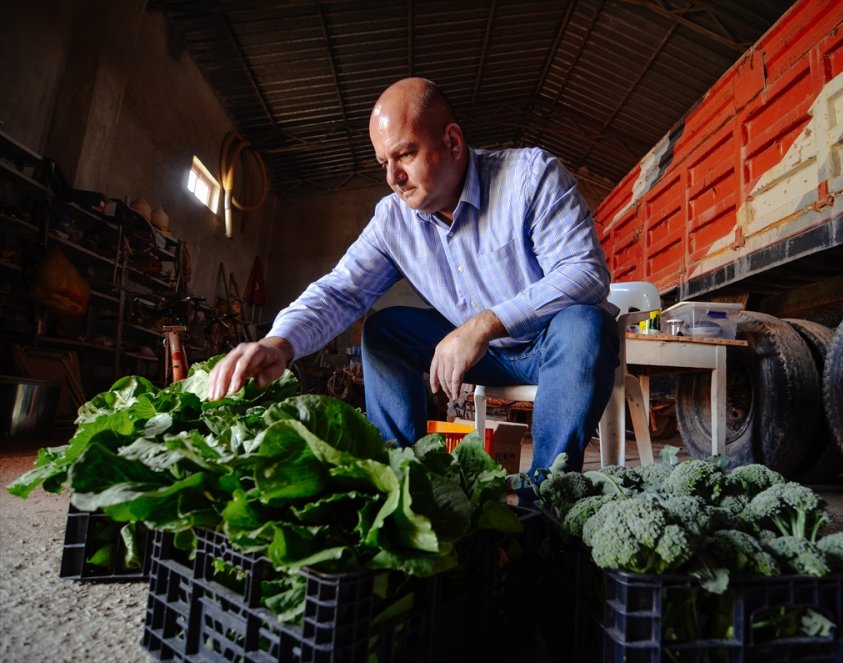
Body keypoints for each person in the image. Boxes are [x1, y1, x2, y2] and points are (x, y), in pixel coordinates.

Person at [207, 77, 619, 479]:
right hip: (484, 358)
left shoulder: (529, 176)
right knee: (385, 331)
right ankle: (401, 479)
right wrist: (279, 344)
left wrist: (485, 323)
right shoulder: (393, 220)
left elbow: (584, 271)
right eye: (383, 163)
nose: (393, 177)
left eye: (404, 155)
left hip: (553, 349)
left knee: (586, 322)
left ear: (452, 142)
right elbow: (342, 291)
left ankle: (548, 490)